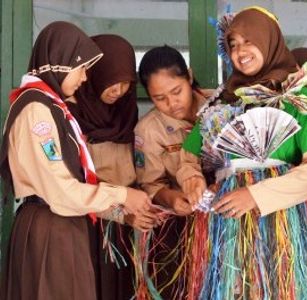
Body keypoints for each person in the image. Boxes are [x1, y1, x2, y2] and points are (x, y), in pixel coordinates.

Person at [176, 6, 307, 299]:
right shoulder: (222, 100)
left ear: (269, 40)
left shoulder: (297, 96)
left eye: (249, 40)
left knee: (278, 288)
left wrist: (255, 195)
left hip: (280, 219)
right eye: (233, 44)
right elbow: (188, 157)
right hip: (227, 217)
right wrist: (192, 180)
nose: (240, 51)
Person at [0, 22, 153, 300]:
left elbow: (74, 187)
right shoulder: (37, 110)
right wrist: (122, 194)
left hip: (65, 225)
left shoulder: (53, 108)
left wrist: (121, 212)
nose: (84, 78)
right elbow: (60, 192)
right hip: (51, 228)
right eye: (81, 67)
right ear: (60, 63)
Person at [67, 34, 152, 300]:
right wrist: (121, 212)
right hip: (87, 224)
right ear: (93, 74)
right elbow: (73, 186)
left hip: (128, 226)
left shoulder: (126, 111)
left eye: (126, 82)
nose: (119, 90)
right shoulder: (70, 116)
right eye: (112, 81)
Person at [134, 45, 208, 298]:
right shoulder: (148, 130)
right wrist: (172, 199)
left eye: (177, 91)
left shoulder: (218, 108)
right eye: (159, 98)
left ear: (189, 76)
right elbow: (150, 185)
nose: (171, 103)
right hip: (179, 231)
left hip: (228, 221)